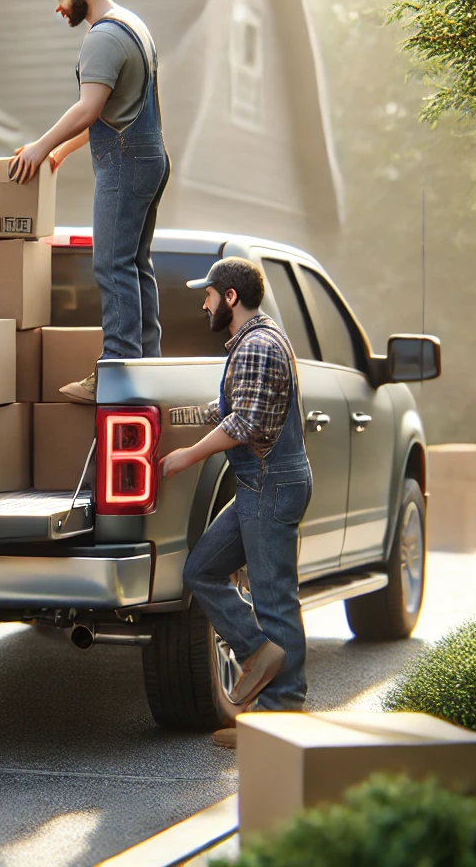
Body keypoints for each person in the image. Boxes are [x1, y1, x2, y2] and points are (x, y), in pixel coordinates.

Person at [160, 258, 313, 749]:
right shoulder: (252, 344)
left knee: (274, 597)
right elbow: (229, 406)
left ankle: (281, 718)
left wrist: (189, 453)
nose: (202, 301)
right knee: (202, 569)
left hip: (269, 484)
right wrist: (174, 412)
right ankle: (259, 651)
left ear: (230, 297)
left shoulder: (258, 345)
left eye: (208, 293)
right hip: (261, 483)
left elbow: (245, 425)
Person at [9, 0, 170, 403]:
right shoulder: (133, 24)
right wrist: (62, 152)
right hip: (150, 156)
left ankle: (116, 371)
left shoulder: (102, 36)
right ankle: (147, 367)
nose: (58, 8)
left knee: (112, 265)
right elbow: (113, 110)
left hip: (125, 164)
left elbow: (88, 108)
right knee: (136, 266)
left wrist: (41, 147)